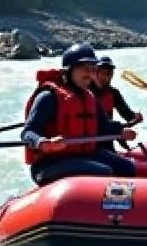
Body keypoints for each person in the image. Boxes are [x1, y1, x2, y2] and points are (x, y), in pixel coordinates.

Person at [21, 43, 137, 186]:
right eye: (85, 69)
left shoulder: (90, 97)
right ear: (69, 70)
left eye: (93, 69)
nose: (90, 74)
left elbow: (104, 126)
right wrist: (42, 142)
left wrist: (120, 130)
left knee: (127, 168)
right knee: (103, 171)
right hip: (50, 163)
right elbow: (28, 132)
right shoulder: (49, 97)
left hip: (84, 155)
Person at [91, 55, 144, 127]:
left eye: (109, 74)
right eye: (103, 73)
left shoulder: (114, 93)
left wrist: (136, 117)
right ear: (95, 74)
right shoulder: (86, 93)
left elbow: (128, 115)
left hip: (107, 134)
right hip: (89, 135)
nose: (106, 78)